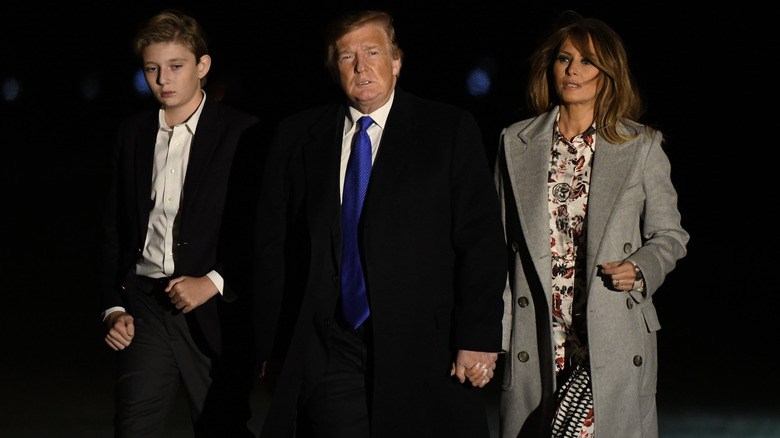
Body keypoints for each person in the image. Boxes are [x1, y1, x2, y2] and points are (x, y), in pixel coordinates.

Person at [253, 10, 507, 438]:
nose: (360, 66)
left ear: (397, 61)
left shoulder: (447, 130)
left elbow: (480, 242)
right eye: (346, 56)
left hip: (426, 346)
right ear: (334, 70)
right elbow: (274, 248)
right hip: (332, 344)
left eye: (372, 52)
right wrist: (272, 347)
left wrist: (478, 336)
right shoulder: (298, 137)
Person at [495, 11, 689, 438]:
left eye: (587, 62)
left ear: (609, 74)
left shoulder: (640, 144)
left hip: (611, 330)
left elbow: (671, 235)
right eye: (565, 59)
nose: (573, 70)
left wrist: (639, 267)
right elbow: (497, 245)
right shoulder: (516, 141)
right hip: (540, 333)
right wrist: (495, 335)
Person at [100, 9, 260, 437]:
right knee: (133, 428)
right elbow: (114, 228)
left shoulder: (244, 133)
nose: (163, 79)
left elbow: (261, 229)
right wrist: (114, 306)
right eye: (152, 68)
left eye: (176, 66)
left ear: (202, 66)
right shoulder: (131, 133)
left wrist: (215, 281)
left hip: (213, 311)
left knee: (222, 428)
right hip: (147, 306)